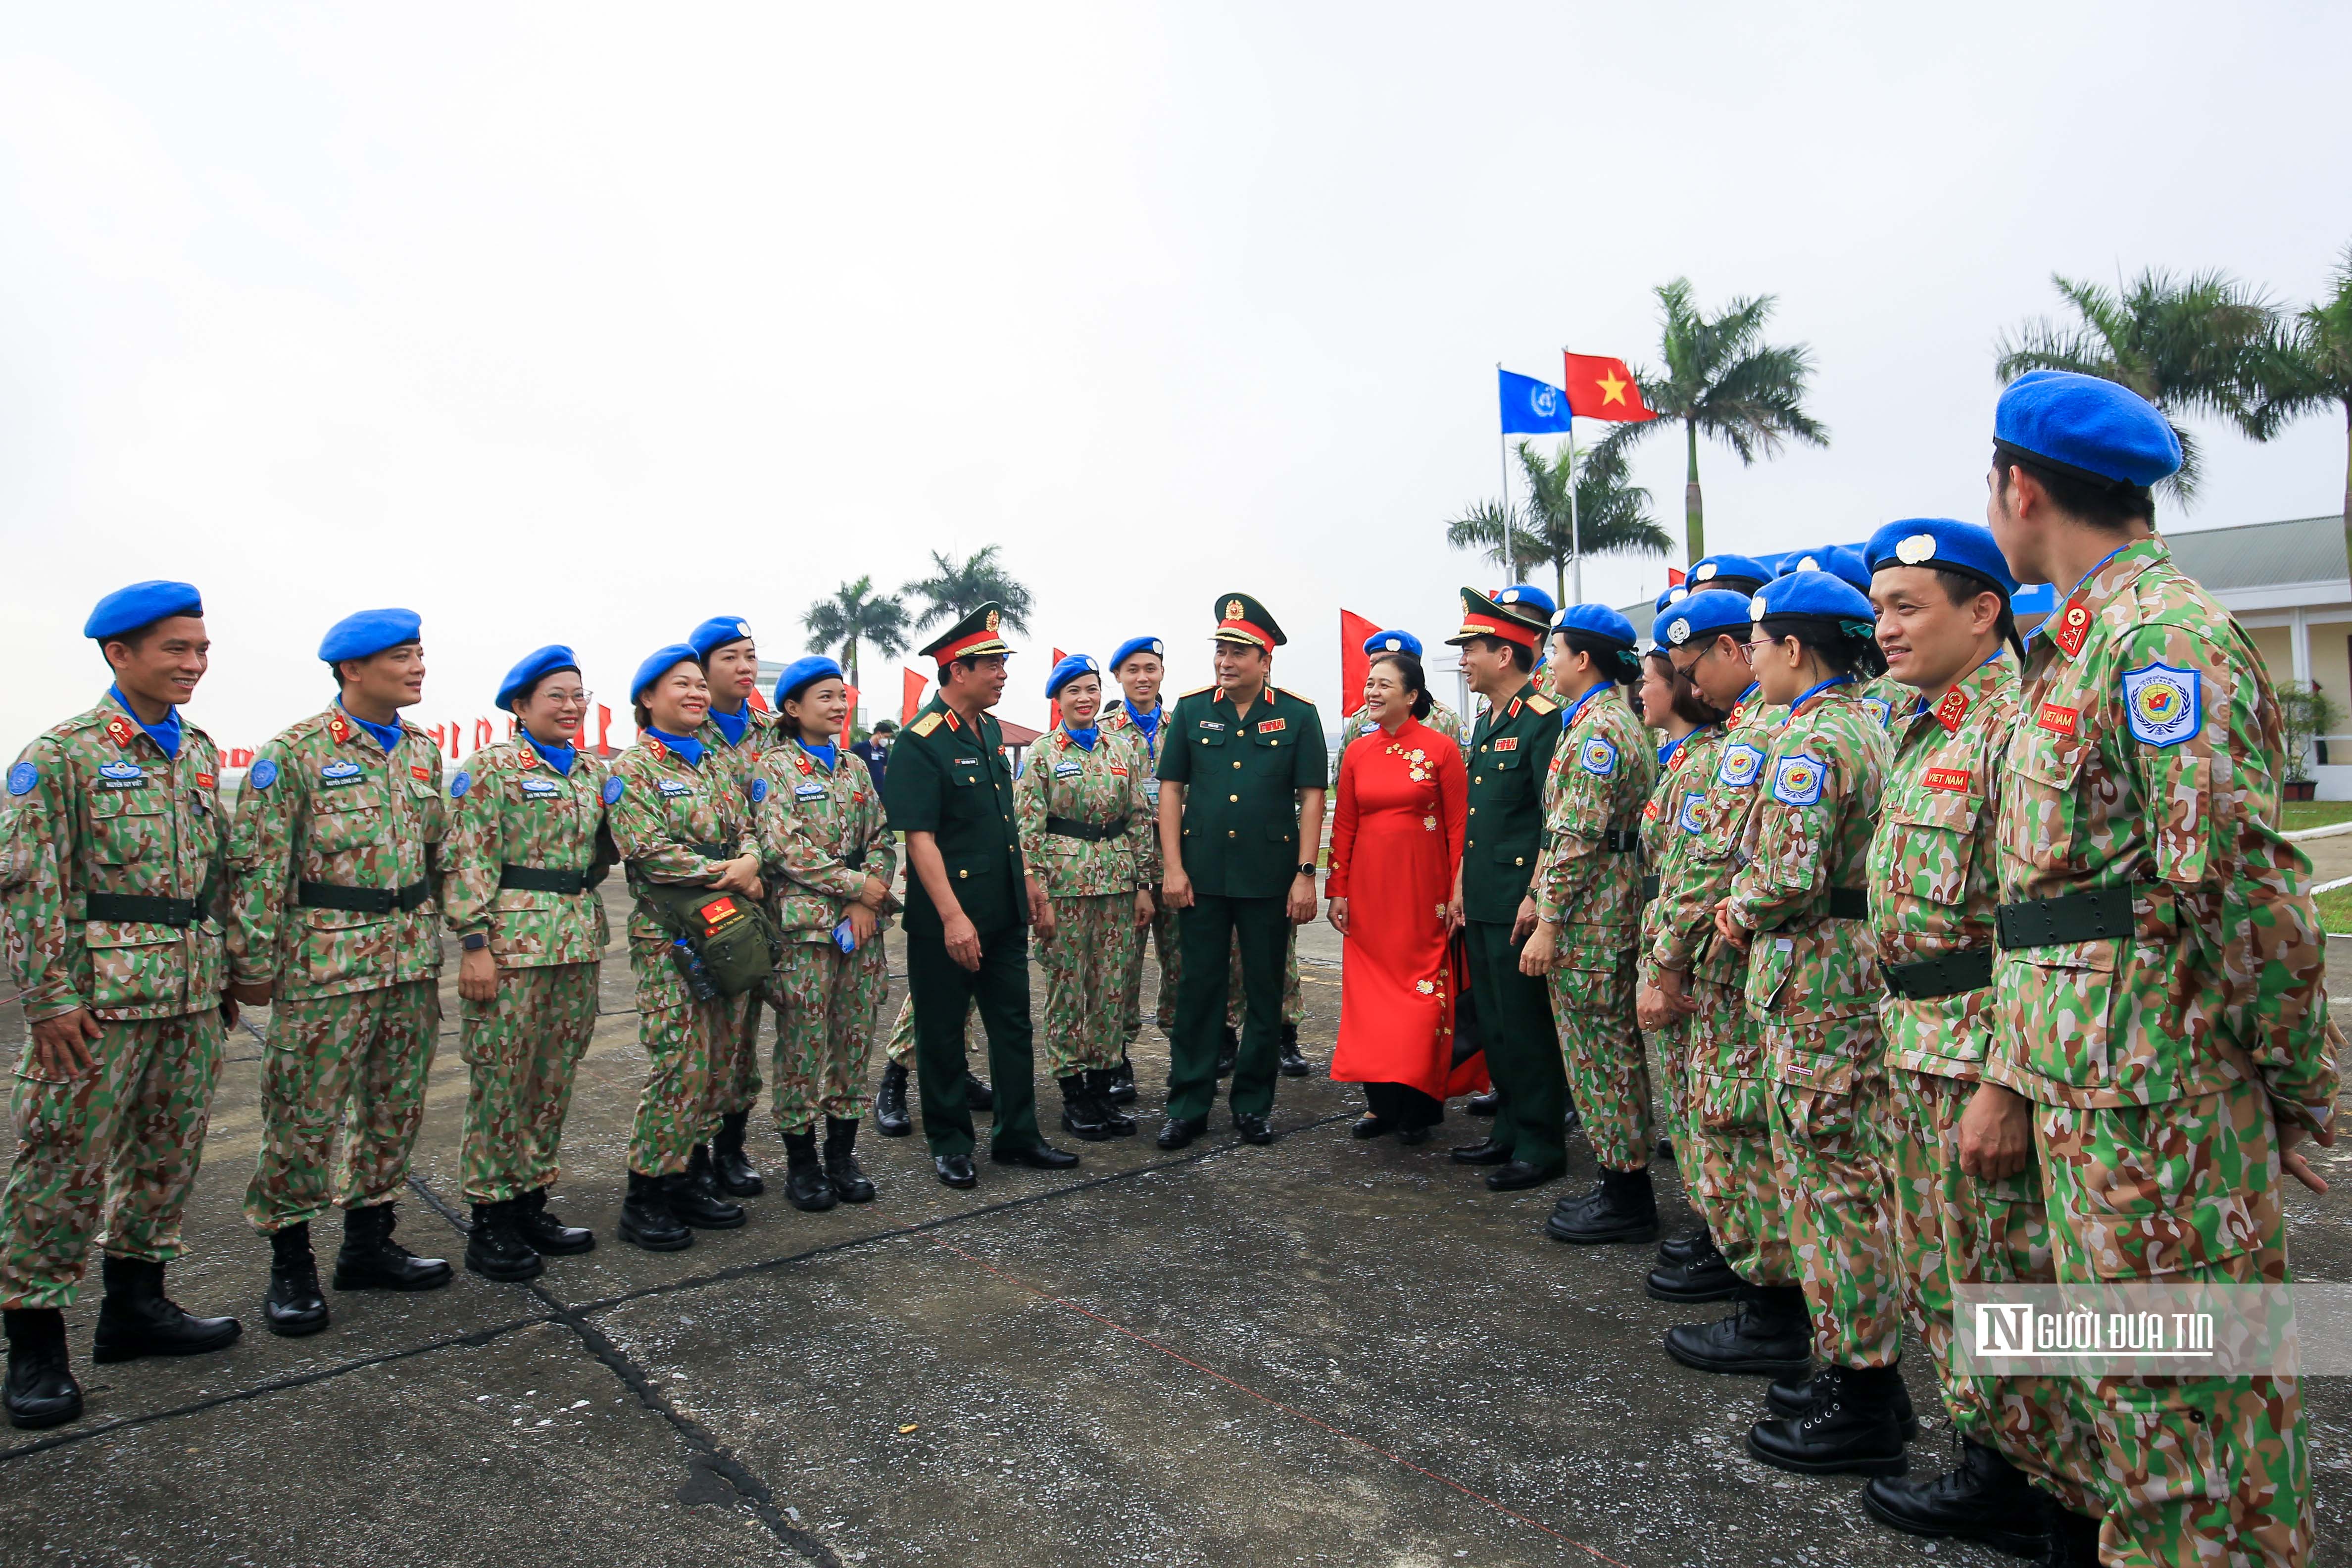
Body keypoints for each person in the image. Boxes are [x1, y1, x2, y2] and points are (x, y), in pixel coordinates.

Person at [1968, 371, 2339, 1567]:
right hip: (2101, 1102)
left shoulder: (2158, 641)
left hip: (2164, 1112)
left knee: (2192, 1434)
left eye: (1989, 483)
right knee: (2136, 1407)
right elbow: (2051, 909)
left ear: (2019, 487)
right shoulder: (2076, 642)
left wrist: (2289, 1087)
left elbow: (2232, 888)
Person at [1847, 520, 2064, 1558]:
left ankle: (2042, 1487)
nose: (1884, 628)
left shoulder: (2014, 728)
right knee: (1947, 1272)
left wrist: (2009, 1080)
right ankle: (1993, 1460)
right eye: (1879, 607)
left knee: (2008, 1276)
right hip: (1919, 1040)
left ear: (1984, 612)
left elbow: (2039, 925)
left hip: (1983, 1046)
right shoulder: (1922, 725)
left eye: (1908, 606)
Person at [0, 583, 241, 1429]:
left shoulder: (202, 753)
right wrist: (49, 998)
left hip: (187, 994)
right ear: (119, 654)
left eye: (201, 648)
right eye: (176, 649)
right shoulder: (61, 754)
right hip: (97, 1004)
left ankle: (137, 1308)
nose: (193, 664)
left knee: (166, 1158)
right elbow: (31, 884)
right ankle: (33, 1344)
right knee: (60, 1166)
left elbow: (218, 877)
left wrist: (231, 975)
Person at [1709, 570, 1905, 1475]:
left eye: (1757, 644)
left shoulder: (1812, 741)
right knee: (1851, 1171)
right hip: (1855, 968)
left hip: (1818, 974)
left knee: (1829, 1179)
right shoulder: (1870, 719)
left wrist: (1735, 909)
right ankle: (1858, 1371)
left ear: (1792, 649)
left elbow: (1786, 871)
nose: (1749, 659)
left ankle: (1862, 1384)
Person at [229, 608, 453, 1338]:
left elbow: (437, 856)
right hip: (327, 964)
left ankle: (368, 1243)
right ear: (352, 670)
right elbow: (261, 868)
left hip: (409, 962)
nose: (418, 668)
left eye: (420, 654)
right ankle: (291, 1265)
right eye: (401, 657)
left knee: (394, 1108)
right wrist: (252, 965)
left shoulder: (423, 753)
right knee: (303, 1118)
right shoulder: (293, 754)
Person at [884, 603, 1078, 1189]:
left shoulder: (990, 730)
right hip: (948, 918)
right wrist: (952, 918)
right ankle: (950, 1143)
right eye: (992, 664)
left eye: (1001, 663)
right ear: (957, 670)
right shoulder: (920, 743)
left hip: (1002, 912)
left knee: (1013, 1025)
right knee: (942, 1033)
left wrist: (1029, 886)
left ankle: (1019, 1135)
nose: (1002, 674)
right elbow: (920, 842)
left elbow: (1002, 824)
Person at [1643, 591, 1791, 1342]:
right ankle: (1748, 1267)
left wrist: (1668, 961)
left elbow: (1710, 866)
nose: (1686, 686)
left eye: (1692, 666)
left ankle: (1770, 1303)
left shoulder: (1764, 737)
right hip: (1754, 965)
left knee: (1738, 1125)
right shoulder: (1760, 729)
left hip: (1741, 969)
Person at [440, 645, 608, 1281]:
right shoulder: (490, 769)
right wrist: (474, 946)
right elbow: (467, 859)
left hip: (574, 943)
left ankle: (532, 1200)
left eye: (578, 695)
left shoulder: (593, 773)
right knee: (501, 1083)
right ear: (520, 707)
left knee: (553, 1077)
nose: (571, 707)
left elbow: (598, 858)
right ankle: (490, 1221)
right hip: (509, 950)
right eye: (556, 697)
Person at [1155, 593, 1328, 1150]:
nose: (1225, 662)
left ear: (1265, 658)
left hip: (1268, 878)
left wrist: (1306, 874)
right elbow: (1171, 792)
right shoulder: (1191, 709)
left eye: (1238, 652)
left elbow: (1311, 799)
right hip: (1202, 876)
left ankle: (1253, 1105)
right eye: (1220, 651)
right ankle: (1187, 1105)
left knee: (1264, 995)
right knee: (1197, 993)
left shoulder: (1300, 715)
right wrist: (1174, 869)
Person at [604, 645, 763, 1249]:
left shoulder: (718, 763)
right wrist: (733, 870)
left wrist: (749, 856)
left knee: (717, 1062)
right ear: (648, 698)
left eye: (701, 684)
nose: (697, 693)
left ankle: (691, 1176)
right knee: (678, 1064)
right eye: (681, 685)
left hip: (726, 929)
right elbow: (648, 850)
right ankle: (646, 1196)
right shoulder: (632, 769)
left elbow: (749, 824)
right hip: (671, 939)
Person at [1524, 605, 1660, 1243]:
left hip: (1595, 915)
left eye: (1554, 653)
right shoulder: (1600, 720)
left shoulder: (1599, 731)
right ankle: (1618, 1180)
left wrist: (1550, 920)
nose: (1546, 664)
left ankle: (1627, 1193)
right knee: (1602, 1053)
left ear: (1583, 661)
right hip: (1598, 904)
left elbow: (1579, 837)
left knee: (1601, 1054)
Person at [754, 657, 896, 1211]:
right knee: (802, 1047)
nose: (839, 706)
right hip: (805, 934)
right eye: (825, 698)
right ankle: (803, 1163)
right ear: (793, 708)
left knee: (854, 1041)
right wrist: (858, 887)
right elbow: (785, 850)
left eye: (842, 696)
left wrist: (869, 900)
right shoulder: (775, 769)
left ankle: (843, 1156)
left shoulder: (854, 768)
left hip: (860, 930)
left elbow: (883, 837)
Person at [1442, 588, 1567, 1188]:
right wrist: (1463, 885)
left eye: (1473, 649)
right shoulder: (1489, 722)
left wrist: (1537, 897)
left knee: (1526, 1028)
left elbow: (1553, 818)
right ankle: (1508, 1131)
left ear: (1507, 654)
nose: (1464, 660)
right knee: (1494, 1023)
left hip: (1519, 901)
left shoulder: (1544, 721)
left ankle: (1541, 1145)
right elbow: (1480, 818)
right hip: (1485, 898)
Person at [1326, 649, 1472, 1141]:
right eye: (1370, 684)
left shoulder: (1440, 750)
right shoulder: (1356, 752)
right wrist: (1338, 890)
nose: (1372, 692)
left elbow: (1459, 827)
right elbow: (1345, 824)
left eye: (1384, 685)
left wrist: (1458, 891)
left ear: (1412, 696)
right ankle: (1380, 1106)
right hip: (1369, 897)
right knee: (1371, 1002)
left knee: (1423, 999)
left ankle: (1421, 1107)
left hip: (1424, 895)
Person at [1015, 655, 1154, 1141]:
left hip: (1117, 885)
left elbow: (1138, 818)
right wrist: (1039, 894)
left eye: (1092, 689)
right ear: (1058, 699)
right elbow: (1027, 827)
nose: (1085, 698)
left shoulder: (1122, 750)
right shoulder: (1042, 753)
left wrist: (1143, 885)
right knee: (1068, 992)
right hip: (1066, 886)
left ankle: (1102, 1090)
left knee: (1110, 992)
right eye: (1074, 690)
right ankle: (1074, 1097)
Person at [689, 615, 781, 1200]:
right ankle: (692, 1154)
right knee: (704, 1037)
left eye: (750, 656)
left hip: (771, 897)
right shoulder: (685, 731)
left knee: (747, 1032)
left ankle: (732, 1147)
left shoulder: (774, 731)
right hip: (706, 905)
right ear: (700, 670)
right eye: (731, 658)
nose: (745, 668)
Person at [1635, 631, 1718, 1196]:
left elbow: (1694, 879)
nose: (1639, 691)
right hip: (1668, 940)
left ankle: (1721, 1231)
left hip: (1687, 954)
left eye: (1649, 681)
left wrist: (1663, 966)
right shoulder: (1677, 762)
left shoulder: (1703, 765)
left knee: (1701, 1098)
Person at [1097, 634, 1173, 1100]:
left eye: (1151, 668)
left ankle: (1183, 1049)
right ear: (1119, 677)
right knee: (1122, 967)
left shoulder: (1182, 725)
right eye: (1133, 670)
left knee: (1183, 963)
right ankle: (1119, 1056)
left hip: (1177, 865)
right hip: (1123, 869)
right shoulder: (1102, 730)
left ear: (1162, 672)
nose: (1142, 678)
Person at [1335, 629, 1470, 755]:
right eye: (1374, 664)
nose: (1379, 669)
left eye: (1388, 663)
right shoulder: (1359, 721)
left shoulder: (1445, 721)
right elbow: (1343, 776)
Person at [850, 719, 895, 797]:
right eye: (886, 737)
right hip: (865, 788)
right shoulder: (861, 747)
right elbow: (848, 759)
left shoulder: (884, 750)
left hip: (880, 790)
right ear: (879, 734)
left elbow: (885, 769)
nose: (887, 740)